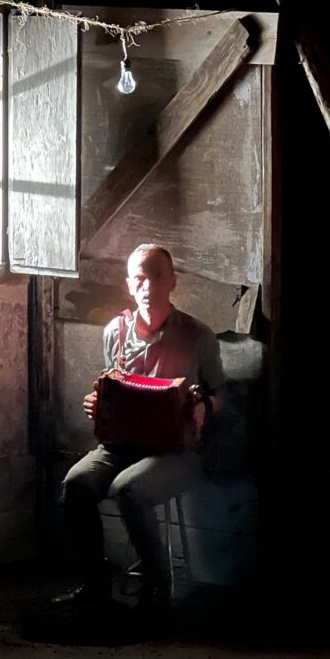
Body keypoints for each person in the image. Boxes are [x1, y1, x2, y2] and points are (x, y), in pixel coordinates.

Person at [52, 243, 225, 614]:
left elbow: (221, 394)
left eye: (157, 277)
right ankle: (94, 586)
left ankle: (156, 592)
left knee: (129, 489)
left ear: (172, 281)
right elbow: (114, 391)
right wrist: (98, 405)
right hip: (121, 445)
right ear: (129, 285)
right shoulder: (115, 332)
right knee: (76, 484)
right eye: (140, 279)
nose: (148, 287)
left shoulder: (198, 335)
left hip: (177, 450)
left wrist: (203, 407)